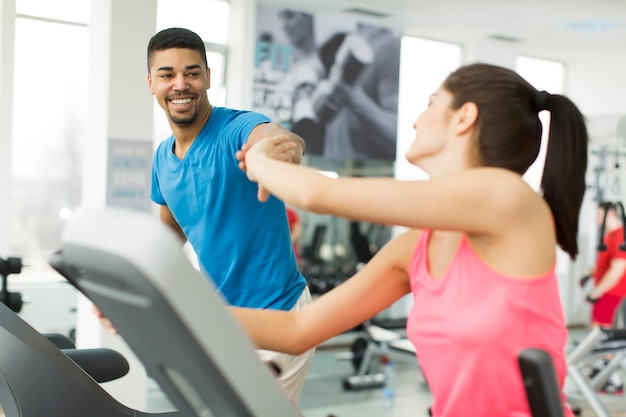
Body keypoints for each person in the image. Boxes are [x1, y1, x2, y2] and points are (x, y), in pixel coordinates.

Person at [234, 63, 588, 416]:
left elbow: (317, 194)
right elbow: (300, 328)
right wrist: (193, 317)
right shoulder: (415, 248)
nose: (417, 120)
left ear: (463, 117)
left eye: (432, 102)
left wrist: (260, 156)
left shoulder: (507, 196)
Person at [112, 27, 313, 402]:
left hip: (279, 313)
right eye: (167, 75)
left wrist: (275, 152)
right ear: (151, 83)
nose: (180, 84)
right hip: (227, 322)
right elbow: (170, 236)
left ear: (207, 76)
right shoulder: (162, 158)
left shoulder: (236, 128)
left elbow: (278, 139)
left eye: (191, 72)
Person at [586, 202, 626, 328]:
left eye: (599, 215)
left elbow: (618, 268)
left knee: (599, 332)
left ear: (609, 214)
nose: (597, 219)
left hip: (610, 291)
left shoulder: (619, 237)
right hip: (606, 289)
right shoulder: (610, 236)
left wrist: (599, 290)